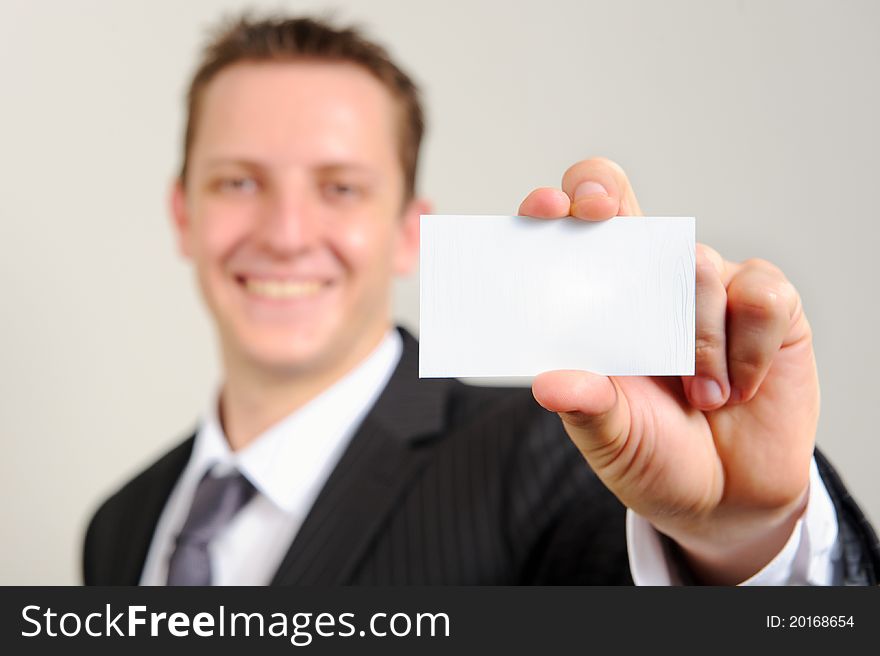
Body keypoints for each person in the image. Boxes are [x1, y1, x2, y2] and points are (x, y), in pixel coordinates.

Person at [83, 15, 878, 586]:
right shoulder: (121, 524)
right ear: (184, 214)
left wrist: (745, 543)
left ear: (408, 232)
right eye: (239, 181)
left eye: (341, 187)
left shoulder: (555, 462)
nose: (287, 233)